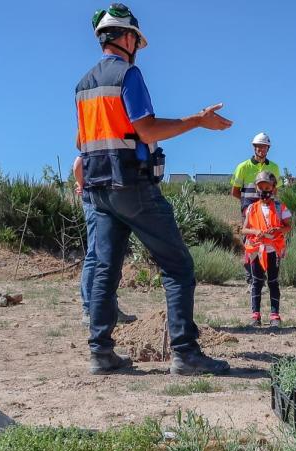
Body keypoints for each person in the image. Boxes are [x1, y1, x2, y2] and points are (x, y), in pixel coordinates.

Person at [76, 3, 233, 375]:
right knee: (178, 266)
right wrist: (197, 121)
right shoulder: (128, 75)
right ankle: (186, 352)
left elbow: (81, 143)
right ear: (127, 37)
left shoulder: (83, 85)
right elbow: (146, 130)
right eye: (136, 38)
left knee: (104, 271)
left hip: (97, 187)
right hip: (132, 184)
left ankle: (101, 353)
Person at [72, 156, 136, 327]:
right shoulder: (96, 137)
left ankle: (109, 309)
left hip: (110, 197)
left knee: (110, 254)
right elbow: (78, 164)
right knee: (95, 253)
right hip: (96, 197)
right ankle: (89, 310)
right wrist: (82, 184)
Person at [241, 171, 290, 328]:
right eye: (260, 187)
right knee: (256, 282)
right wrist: (255, 232)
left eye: (267, 186)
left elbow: (288, 225)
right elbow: (244, 229)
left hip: (273, 250)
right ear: (256, 189)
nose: (264, 190)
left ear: (274, 188)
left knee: (273, 281)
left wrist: (278, 230)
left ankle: (275, 314)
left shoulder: (280, 207)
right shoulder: (251, 208)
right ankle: (255, 315)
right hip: (256, 250)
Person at [231, 132, 281, 283]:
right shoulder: (243, 167)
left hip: (268, 208)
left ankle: (267, 274)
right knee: (249, 240)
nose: (261, 149)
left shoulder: (274, 167)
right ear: (254, 147)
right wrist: (249, 205)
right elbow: (235, 191)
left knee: (269, 238)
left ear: (268, 148)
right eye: (258, 146)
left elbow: (276, 190)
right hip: (249, 208)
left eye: (264, 146)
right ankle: (250, 276)